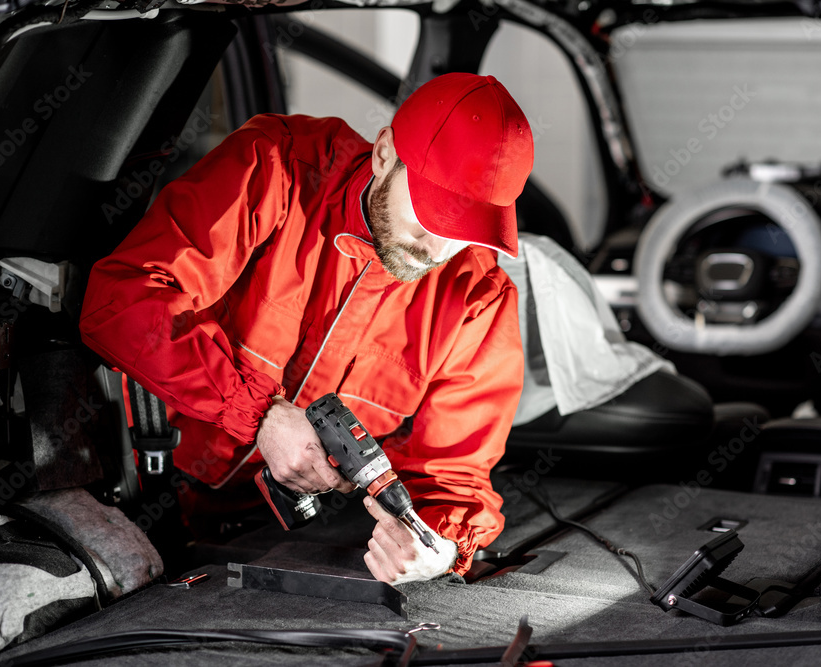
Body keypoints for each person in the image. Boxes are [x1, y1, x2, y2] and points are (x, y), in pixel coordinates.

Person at [79, 72, 534, 583]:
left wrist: (440, 550)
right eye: (432, 218)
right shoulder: (275, 168)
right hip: (133, 485)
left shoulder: (478, 298)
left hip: (281, 539)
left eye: (464, 230)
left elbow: (456, 475)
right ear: (384, 153)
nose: (437, 250)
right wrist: (261, 415)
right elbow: (123, 300)